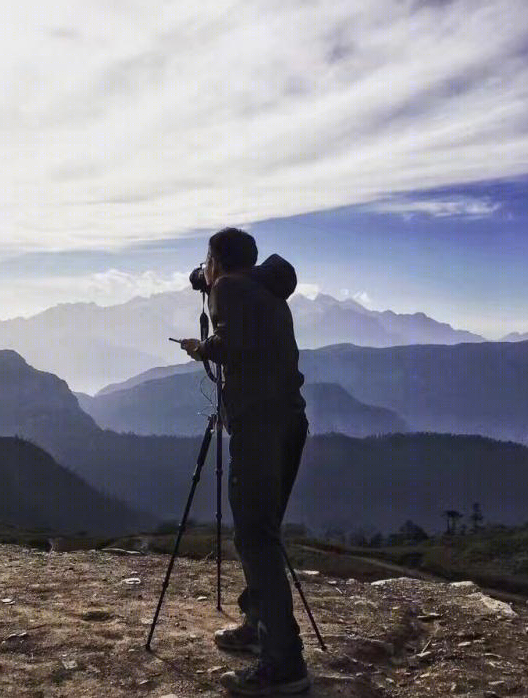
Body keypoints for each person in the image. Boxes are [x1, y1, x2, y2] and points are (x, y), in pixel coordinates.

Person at [178, 227, 310, 696]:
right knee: (264, 531)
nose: (205, 271)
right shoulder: (268, 289)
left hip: (259, 427)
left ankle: (285, 664)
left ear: (217, 262)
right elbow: (250, 341)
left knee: (254, 536)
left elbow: (233, 345)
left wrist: (202, 348)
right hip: (291, 422)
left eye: (207, 262)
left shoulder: (229, 289)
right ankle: (259, 627)